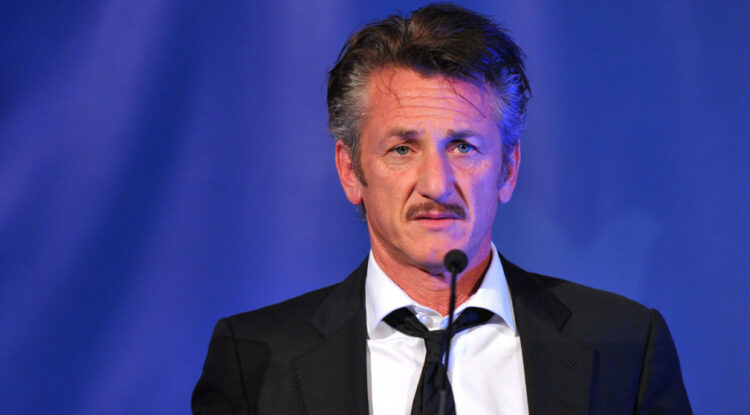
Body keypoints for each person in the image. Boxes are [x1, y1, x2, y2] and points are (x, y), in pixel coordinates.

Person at [192, 3, 691, 414]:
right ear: (350, 170)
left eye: (463, 147)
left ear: (508, 169)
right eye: (402, 149)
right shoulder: (253, 361)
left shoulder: (626, 344)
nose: (436, 184)